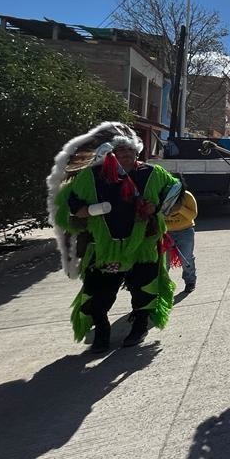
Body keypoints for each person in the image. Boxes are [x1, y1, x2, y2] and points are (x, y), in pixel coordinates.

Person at [49, 122, 180, 353]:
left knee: (144, 289)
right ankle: (101, 331)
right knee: (97, 294)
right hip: (105, 248)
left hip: (142, 246)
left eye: (131, 151)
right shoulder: (92, 176)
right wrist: (85, 211)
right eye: (121, 151)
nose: (127, 155)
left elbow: (175, 191)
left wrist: (156, 207)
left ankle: (139, 326)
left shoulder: (152, 173)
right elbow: (70, 201)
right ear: (111, 154)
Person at [165, 185, 199, 293]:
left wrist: (180, 208)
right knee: (164, 260)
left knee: (186, 258)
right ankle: (163, 283)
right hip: (166, 232)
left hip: (185, 230)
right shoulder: (161, 195)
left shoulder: (187, 196)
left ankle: (190, 281)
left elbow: (193, 215)